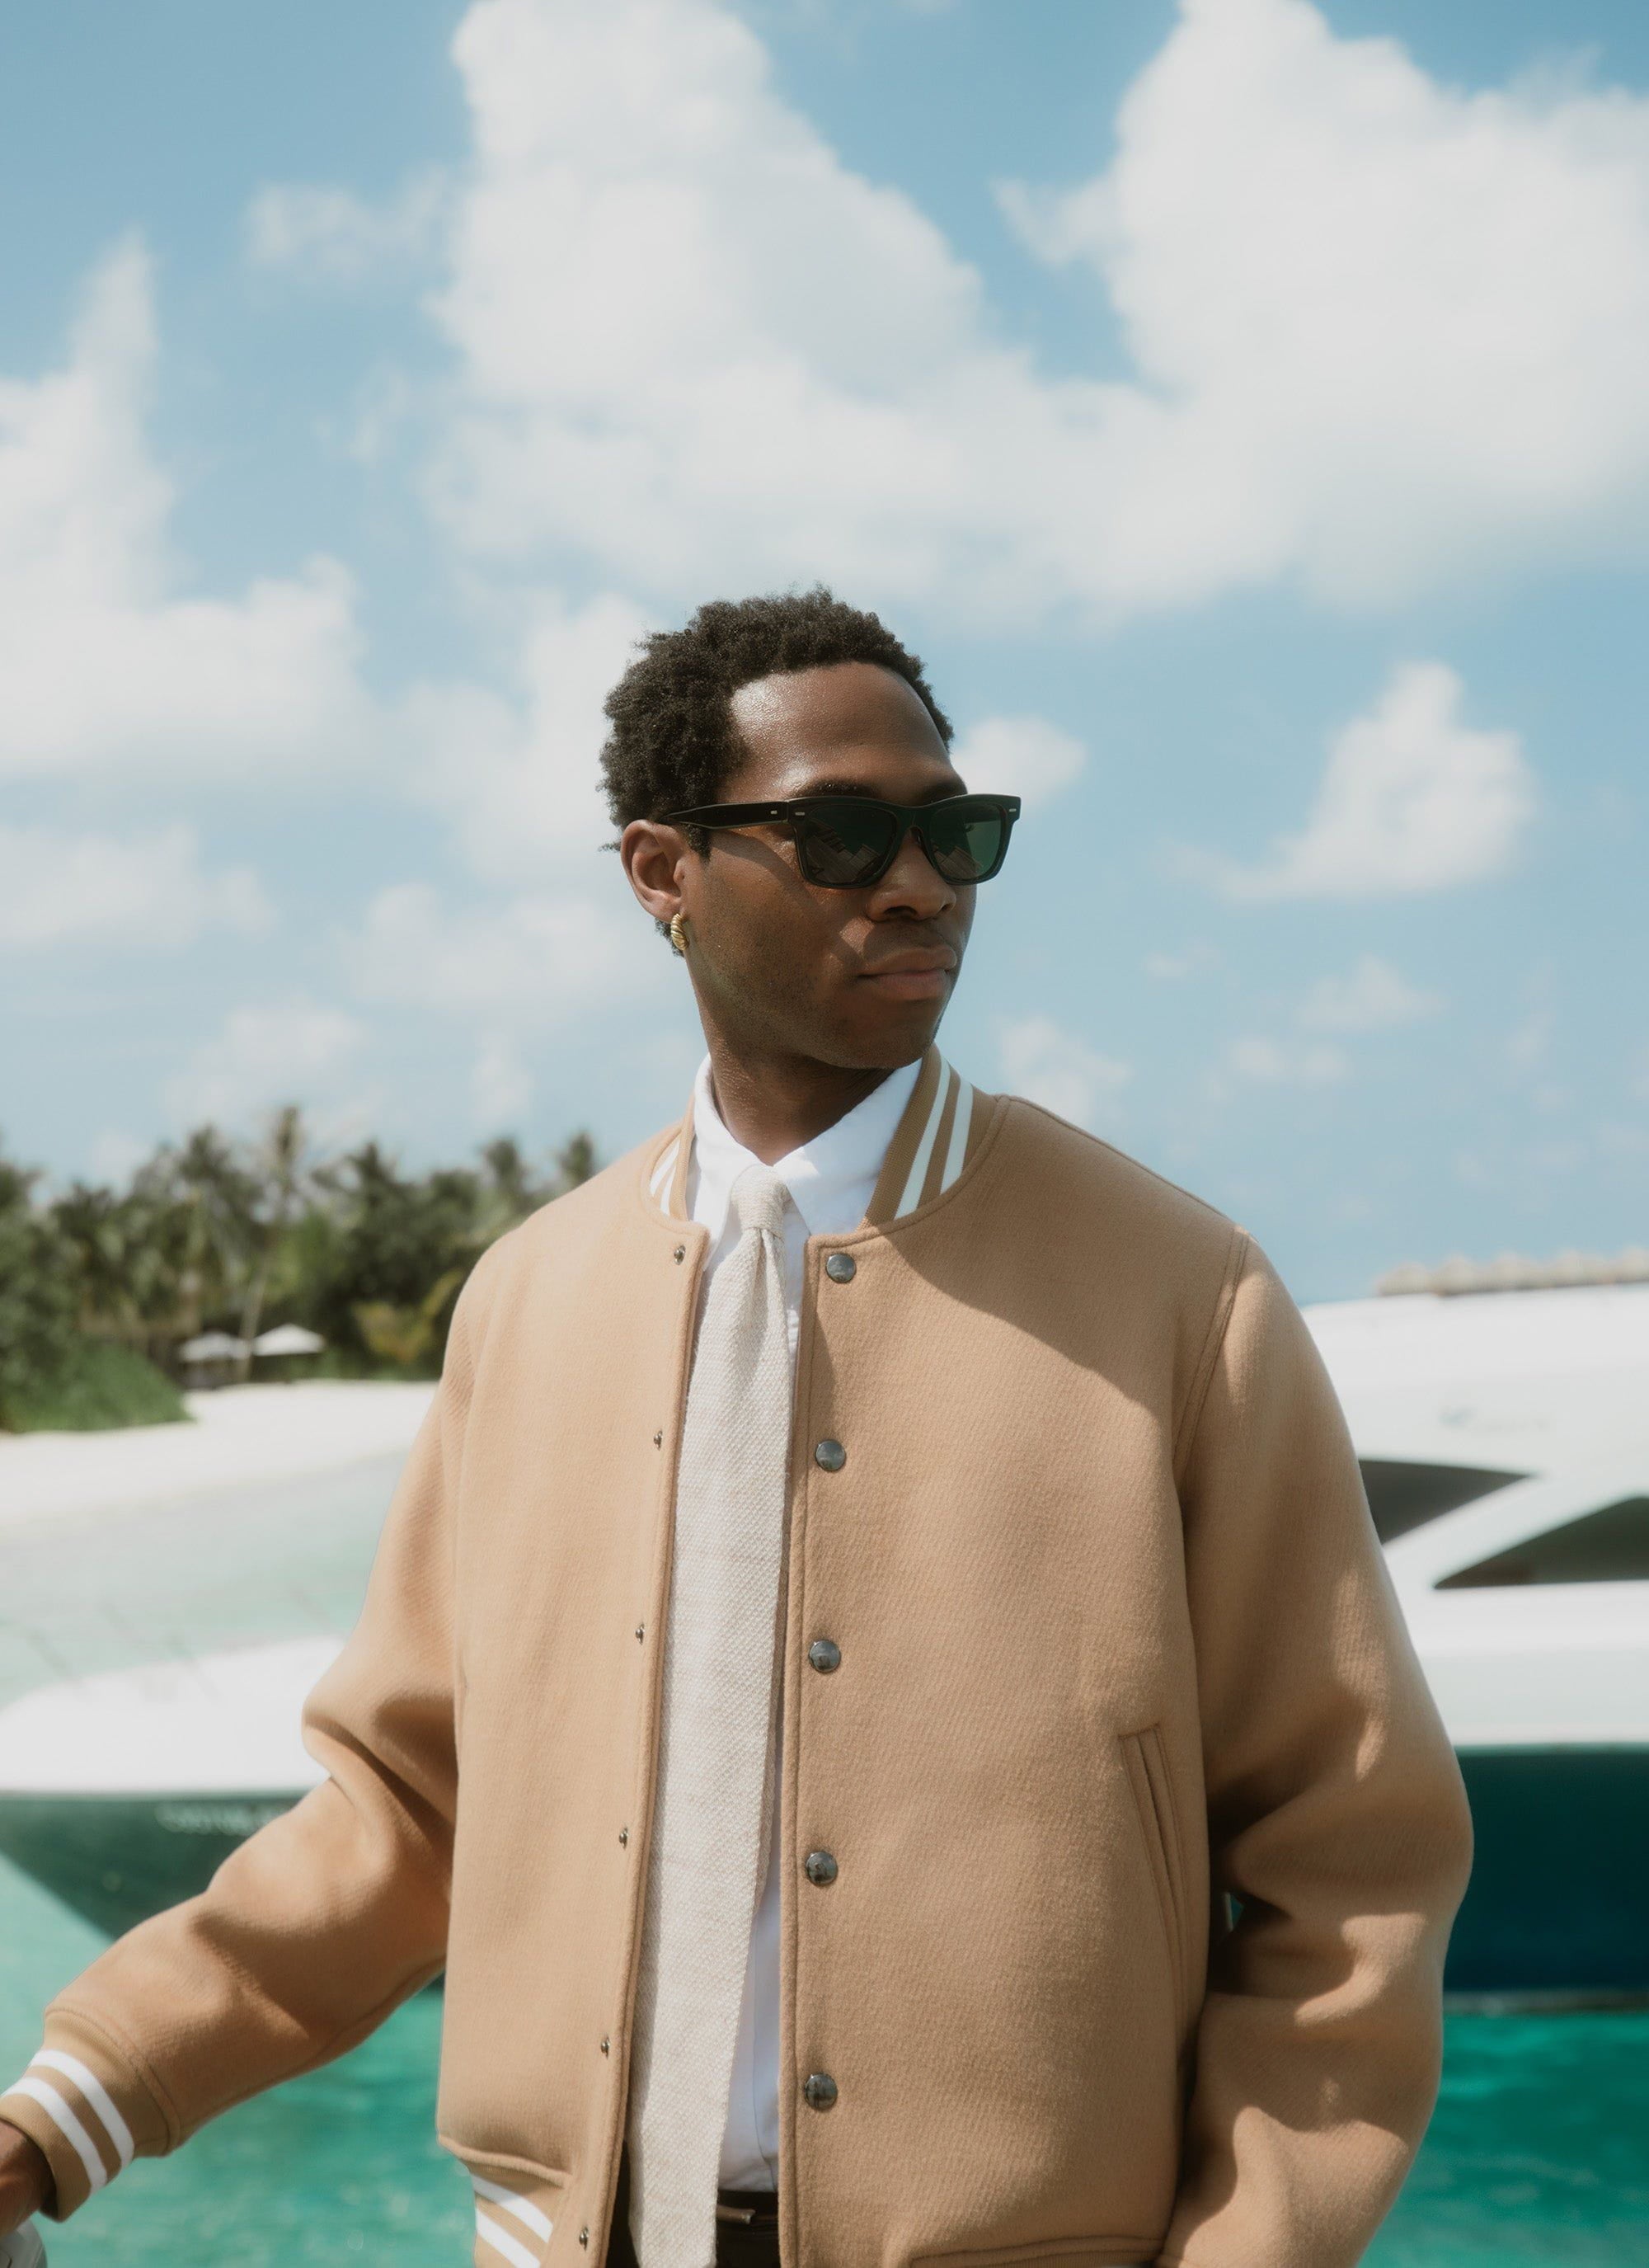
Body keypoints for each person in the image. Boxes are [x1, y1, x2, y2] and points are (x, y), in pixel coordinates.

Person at [0, 590, 1473, 2268]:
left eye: (954, 831)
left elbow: (1351, 1867)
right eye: (841, 833)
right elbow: (402, 1814)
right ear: (662, 874)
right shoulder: (526, 1303)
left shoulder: (1182, 1297)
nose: (916, 882)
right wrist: (61, 2110)